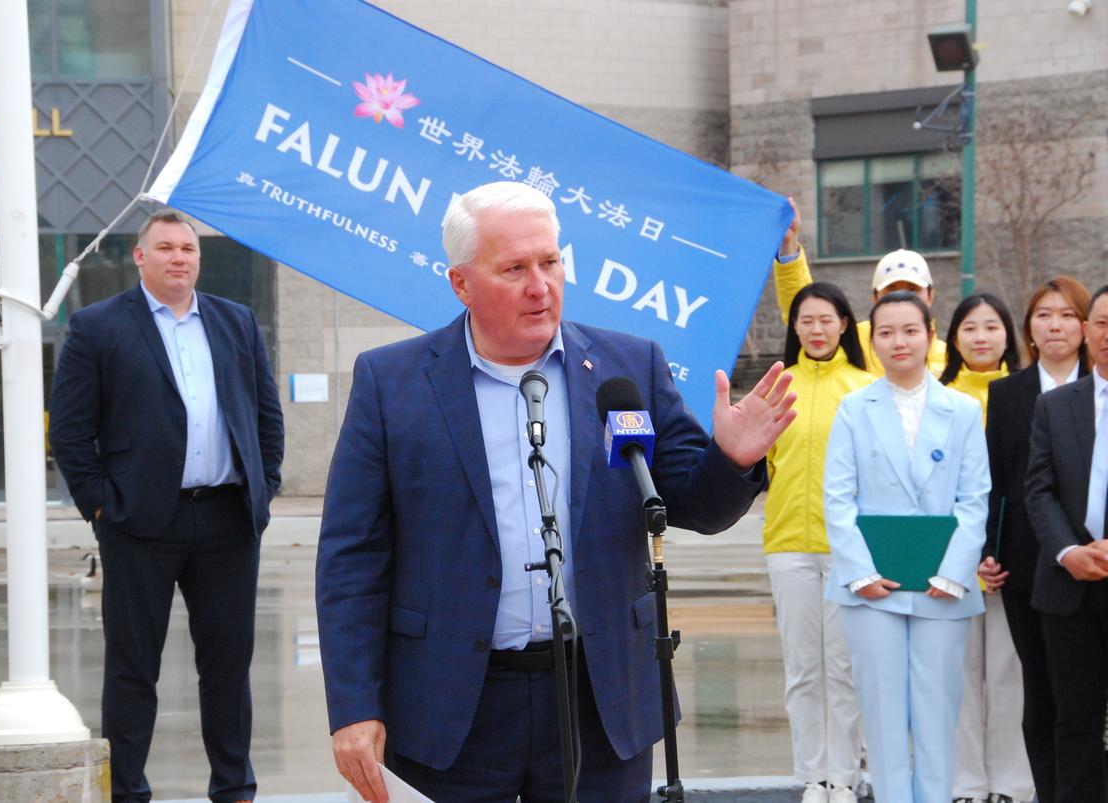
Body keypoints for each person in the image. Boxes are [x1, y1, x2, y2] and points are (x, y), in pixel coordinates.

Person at [316, 181, 796, 803]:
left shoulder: (628, 369)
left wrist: (731, 457)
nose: (540, 286)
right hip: (450, 704)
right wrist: (354, 705)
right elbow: (351, 557)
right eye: (514, 268)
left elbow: (690, 504)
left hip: (600, 699)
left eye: (550, 261)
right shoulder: (392, 382)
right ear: (461, 283)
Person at [48, 210, 284, 803]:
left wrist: (265, 484)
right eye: (167, 248)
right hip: (139, 524)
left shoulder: (236, 321)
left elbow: (265, 416)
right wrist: (101, 507)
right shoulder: (97, 327)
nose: (180, 257)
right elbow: (72, 434)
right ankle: (127, 792)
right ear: (140, 256)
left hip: (228, 521)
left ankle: (234, 789)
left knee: (228, 667)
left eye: (188, 248)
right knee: (133, 669)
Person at [824, 291, 989, 803]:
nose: (899, 341)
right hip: (872, 587)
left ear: (930, 335)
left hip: (943, 585)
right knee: (883, 712)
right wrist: (859, 572)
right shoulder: (853, 409)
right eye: (887, 332)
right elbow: (837, 497)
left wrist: (953, 572)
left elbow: (974, 498)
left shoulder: (960, 410)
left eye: (910, 330)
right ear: (873, 342)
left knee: (939, 711)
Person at [764, 283, 872, 803]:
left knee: (845, 667)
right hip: (788, 544)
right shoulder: (776, 386)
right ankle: (813, 777)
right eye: (805, 321)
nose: (816, 329)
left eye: (826, 319)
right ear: (796, 328)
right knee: (803, 667)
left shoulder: (865, 388)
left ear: (845, 324)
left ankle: (843, 777)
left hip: (848, 548)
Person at [985, 277, 1090, 803]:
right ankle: (1048, 792)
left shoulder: (1101, 385)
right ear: (1028, 327)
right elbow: (997, 482)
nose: (1055, 325)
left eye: (1068, 315)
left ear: (1087, 326)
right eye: (1044, 314)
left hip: (1098, 560)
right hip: (1028, 565)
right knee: (1042, 690)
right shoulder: (1007, 393)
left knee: (1086, 701)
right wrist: (989, 550)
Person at [938, 294, 1034, 803]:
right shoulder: (937, 397)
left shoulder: (1026, 396)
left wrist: (999, 555)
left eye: (991, 326)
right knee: (957, 680)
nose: (980, 336)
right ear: (953, 337)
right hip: (948, 563)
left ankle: (1011, 786)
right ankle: (966, 784)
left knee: (1008, 677)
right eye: (969, 327)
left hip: (1008, 562)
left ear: (1008, 335)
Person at [1023, 284, 1108, 803]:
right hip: (1068, 588)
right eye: (1101, 323)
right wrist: (1067, 551)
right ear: (1086, 330)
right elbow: (1039, 488)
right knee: (1073, 722)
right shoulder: (1055, 406)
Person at [774, 198, 947, 377]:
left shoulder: (952, 358)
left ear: (930, 296)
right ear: (875, 297)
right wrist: (789, 245)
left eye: (912, 289)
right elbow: (805, 307)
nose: (901, 298)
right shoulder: (853, 341)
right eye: (891, 290)